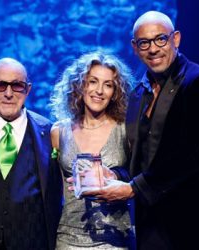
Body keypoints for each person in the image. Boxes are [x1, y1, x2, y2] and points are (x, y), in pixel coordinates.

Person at [87, 11, 199, 249]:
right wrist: (116, 176)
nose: (153, 49)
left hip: (193, 222)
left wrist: (133, 188)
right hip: (150, 225)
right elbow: (142, 157)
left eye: (161, 39)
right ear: (135, 48)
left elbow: (196, 153)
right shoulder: (138, 93)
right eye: (144, 43)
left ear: (175, 39)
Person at [0, 57, 63, 250]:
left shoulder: (49, 132)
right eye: (0, 85)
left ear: (28, 89)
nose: (9, 93)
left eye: (17, 85)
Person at [49, 50, 135, 249]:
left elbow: (139, 177)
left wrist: (115, 175)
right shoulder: (59, 132)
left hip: (115, 238)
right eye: (93, 81)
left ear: (115, 93)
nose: (99, 91)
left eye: (108, 85)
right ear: (80, 85)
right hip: (68, 237)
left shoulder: (126, 130)